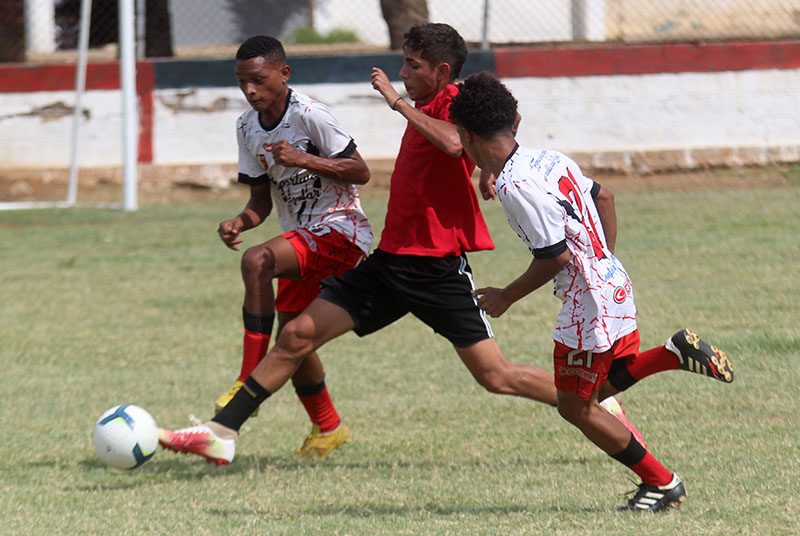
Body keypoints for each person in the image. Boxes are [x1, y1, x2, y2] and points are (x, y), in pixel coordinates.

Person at [158, 23, 643, 467]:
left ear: (442, 72)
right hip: (390, 262)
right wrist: (486, 170)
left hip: (437, 268)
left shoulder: (452, 100)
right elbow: (487, 135)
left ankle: (596, 405)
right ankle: (221, 432)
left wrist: (400, 104)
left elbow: (457, 142)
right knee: (297, 336)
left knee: (496, 377)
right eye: (403, 64)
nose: (402, 73)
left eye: (412, 65)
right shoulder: (432, 105)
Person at [447, 71, 734, 512]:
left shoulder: (514, 185)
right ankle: (671, 354)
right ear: (513, 122)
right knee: (595, 390)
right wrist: (602, 263)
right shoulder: (549, 159)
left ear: (467, 136)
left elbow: (555, 258)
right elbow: (606, 198)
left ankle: (662, 483)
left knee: (575, 407)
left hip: (588, 306)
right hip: (614, 283)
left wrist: (506, 295)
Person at [210, 35, 374, 459]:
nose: (250, 91)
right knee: (292, 342)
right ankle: (329, 427)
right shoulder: (247, 127)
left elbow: (360, 171)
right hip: (300, 241)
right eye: (242, 82)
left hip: (341, 230)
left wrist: (305, 159)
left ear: (284, 74)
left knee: (257, 261)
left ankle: (246, 380)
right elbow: (260, 202)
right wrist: (239, 222)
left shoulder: (310, 114)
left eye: (258, 80)